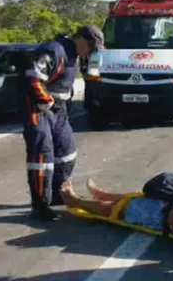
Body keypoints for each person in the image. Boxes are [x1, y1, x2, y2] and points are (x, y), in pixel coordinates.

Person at [23, 25, 105, 221]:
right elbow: (33, 78)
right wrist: (46, 101)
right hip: (39, 109)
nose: (91, 52)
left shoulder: (73, 54)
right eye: (91, 47)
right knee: (43, 157)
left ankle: (58, 194)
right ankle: (40, 204)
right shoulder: (54, 50)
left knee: (67, 152)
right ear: (81, 40)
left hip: (59, 111)